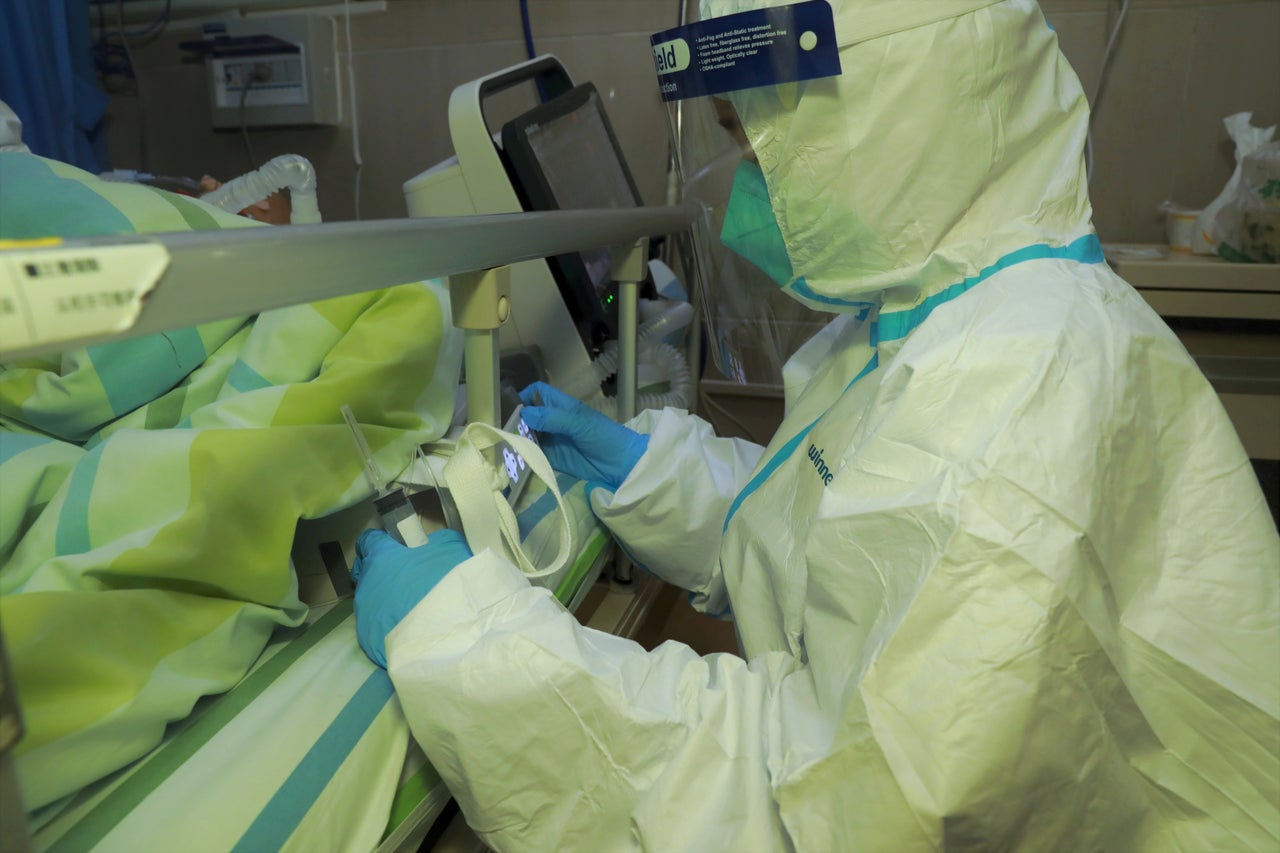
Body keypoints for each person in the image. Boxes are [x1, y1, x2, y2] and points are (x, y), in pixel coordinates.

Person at [351, 1, 1280, 849]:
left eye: (758, 148)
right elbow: (846, 546)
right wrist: (657, 476)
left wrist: (464, 639)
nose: (750, 185)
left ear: (888, 127)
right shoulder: (952, 312)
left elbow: (811, 806)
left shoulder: (1019, 388)